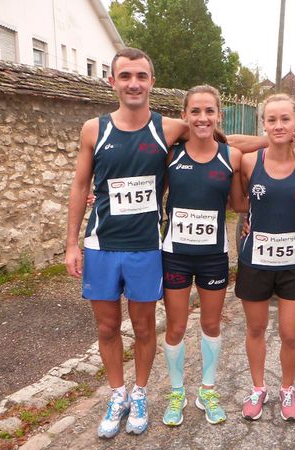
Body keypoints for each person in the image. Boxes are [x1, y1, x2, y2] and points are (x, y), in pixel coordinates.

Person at [65, 47, 191, 439]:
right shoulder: (93, 129)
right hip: (102, 245)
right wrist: (71, 244)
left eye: (141, 75)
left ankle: (140, 394)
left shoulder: (170, 128)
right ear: (113, 82)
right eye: (125, 76)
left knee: (142, 327)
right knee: (106, 327)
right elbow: (80, 185)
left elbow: (215, 137)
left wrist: (277, 139)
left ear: (152, 81)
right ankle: (116, 394)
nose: (133, 83)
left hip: (146, 247)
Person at [160, 85, 246, 426]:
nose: (202, 117)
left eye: (209, 111)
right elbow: (147, 185)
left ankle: (207, 390)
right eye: (195, 111)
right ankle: (177, 391)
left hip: (213, 256)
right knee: (177, 326)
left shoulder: (232, 157)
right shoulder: (170, 154)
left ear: (218, 116)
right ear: (184, 116)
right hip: (175, 255)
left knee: (210, 324)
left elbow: (240, 203)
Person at [235, 93, 295, 422]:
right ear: (263, 124)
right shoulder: (248, 162)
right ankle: (258, 387)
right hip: (255, 262)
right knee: (255, 329)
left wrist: (292, 224)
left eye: (286, 119)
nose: (279, 124)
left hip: (293, 263)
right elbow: (223, 142)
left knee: (290, 333)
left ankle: (287, 389)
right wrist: (270, 138)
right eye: (272, 120)